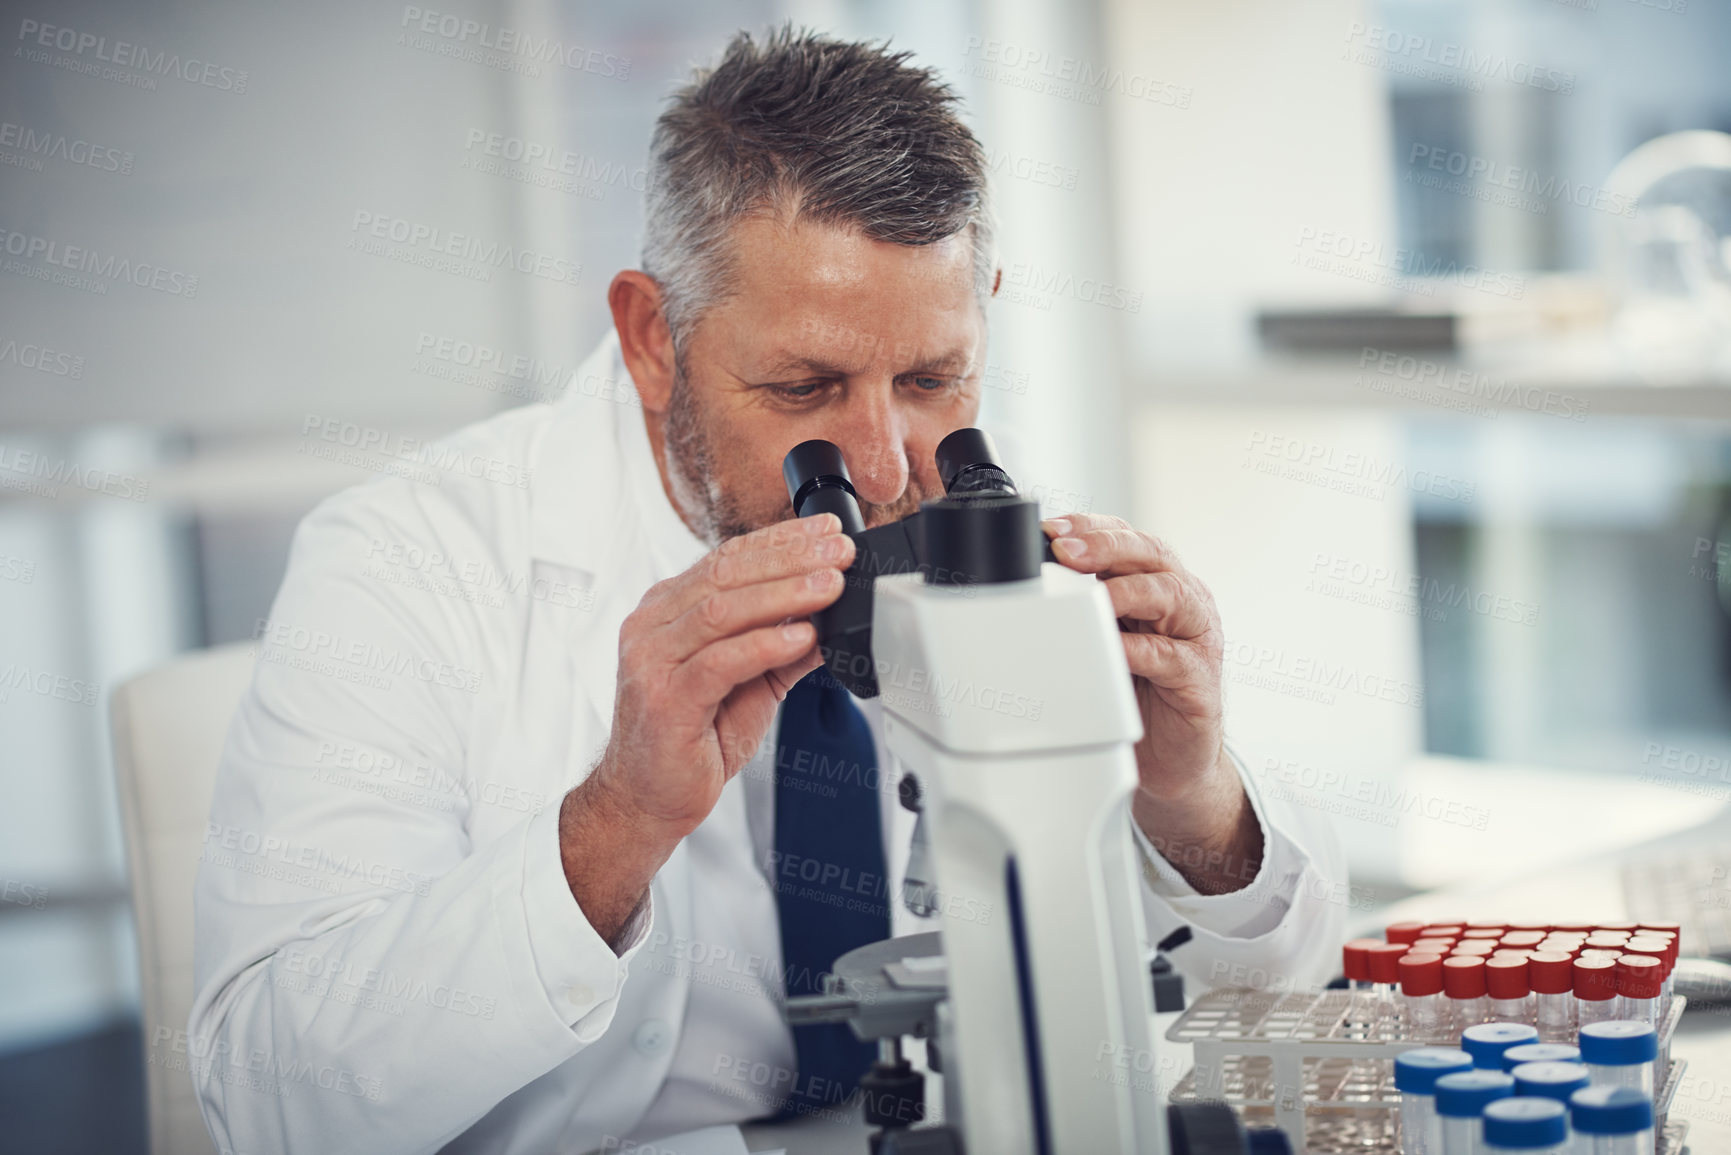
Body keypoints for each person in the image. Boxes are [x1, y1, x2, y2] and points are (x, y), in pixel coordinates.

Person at [190, 25, 1346, 1155]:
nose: (888, 470)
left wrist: (1191, 803)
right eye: (805, 389)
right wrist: (614, 826)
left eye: (934, 377)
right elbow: (269, 1097)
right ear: (654, 338)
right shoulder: (407, 564)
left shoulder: (989, 516)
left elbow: (1273, 1010)